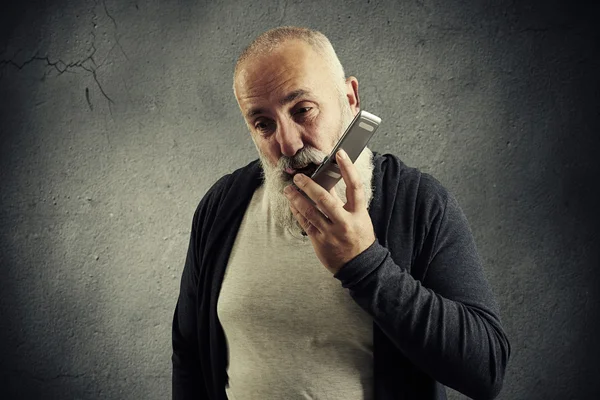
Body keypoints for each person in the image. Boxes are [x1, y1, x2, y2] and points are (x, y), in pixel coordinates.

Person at [172, 26, 511, 400]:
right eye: (263, 124)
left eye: (302, 110)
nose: (287, 143)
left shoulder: (418, 202)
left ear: (350, 98)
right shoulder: (221, 206)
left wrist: (365, 264)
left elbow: (487, 369)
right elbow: (189, 353)